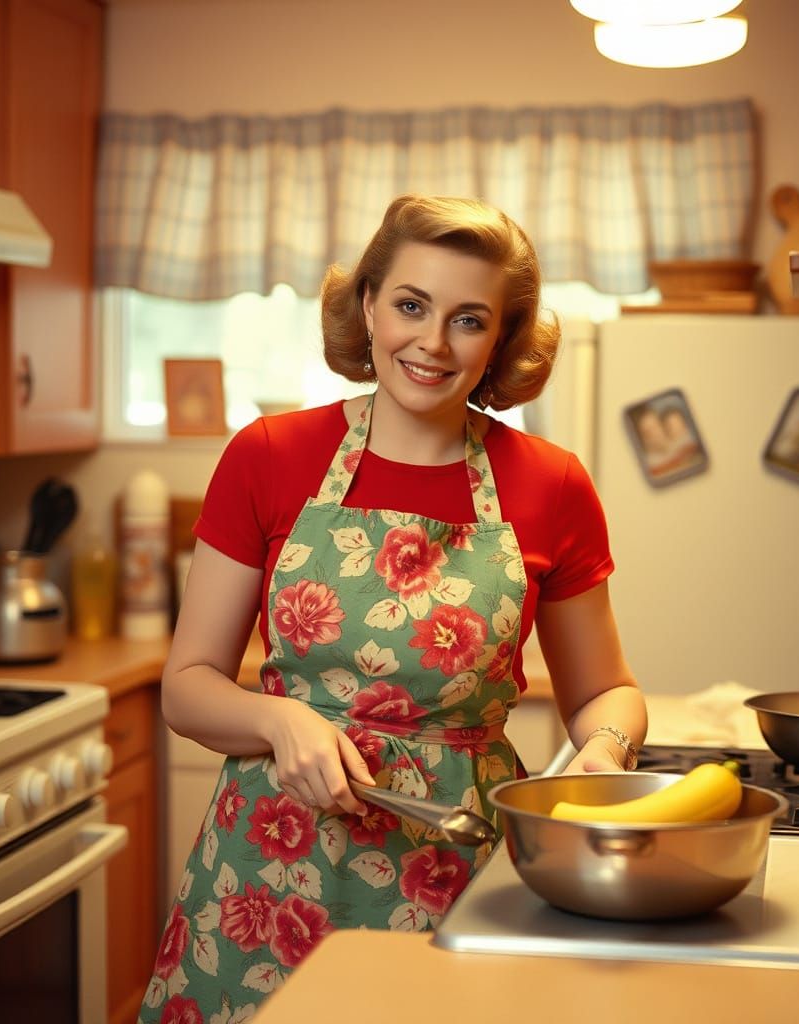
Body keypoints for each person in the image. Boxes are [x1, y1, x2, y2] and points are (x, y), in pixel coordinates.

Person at [138, 194, 647, 1021]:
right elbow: (187, 685)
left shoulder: (551, 484)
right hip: (266, 873)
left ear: (502, 340)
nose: (433, 343)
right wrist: (279, 720)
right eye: (412, 305)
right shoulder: (269, 455)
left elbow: (605, 692)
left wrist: (606, 750)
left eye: (468, 320)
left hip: (460, 864)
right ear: (369, 303)